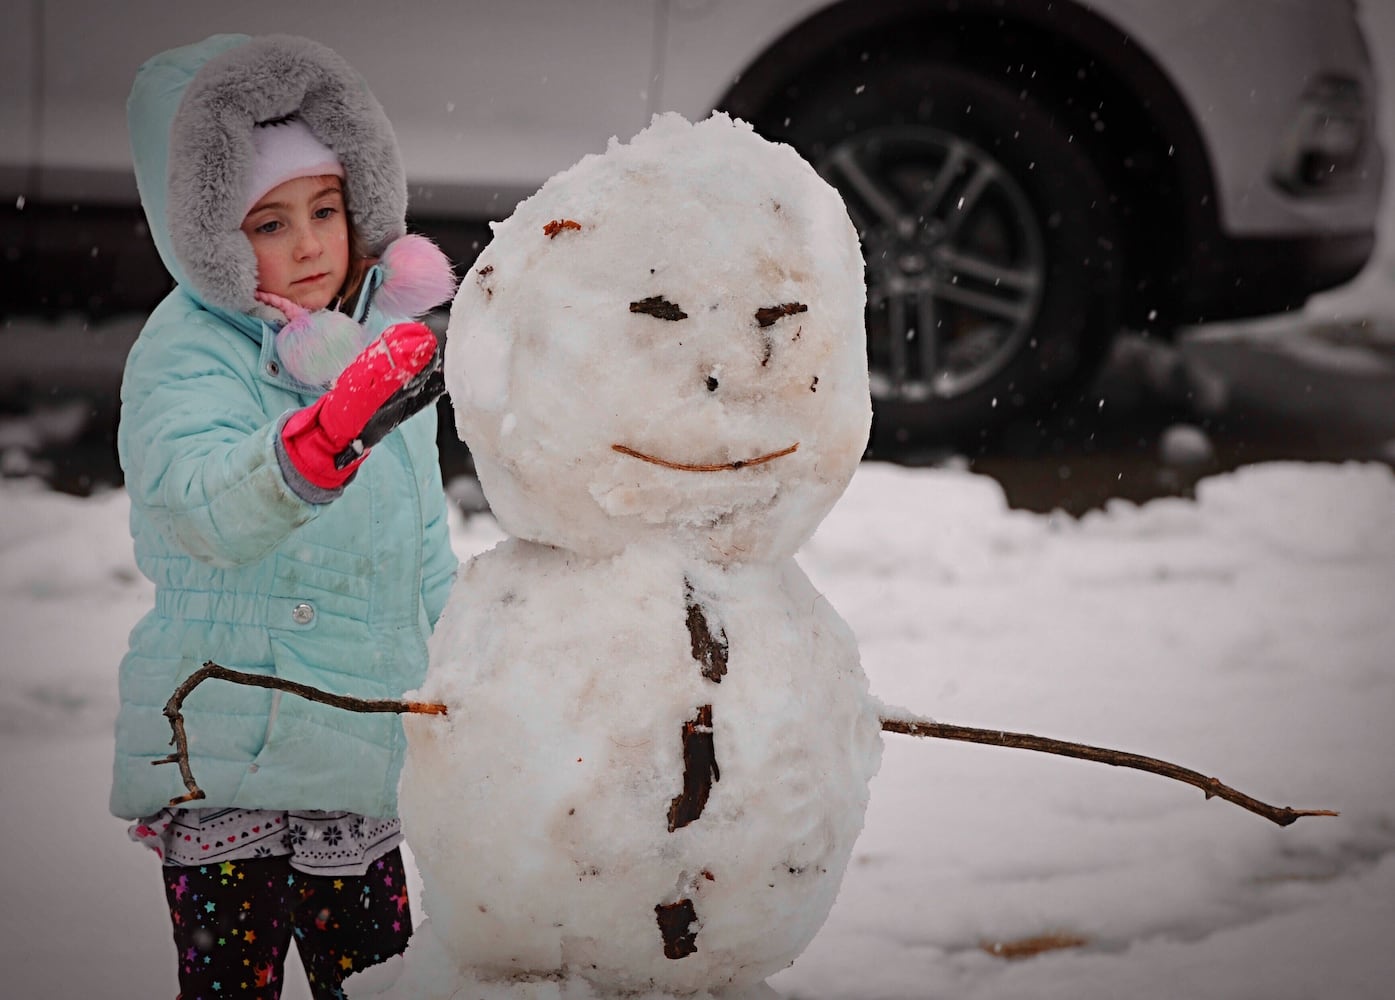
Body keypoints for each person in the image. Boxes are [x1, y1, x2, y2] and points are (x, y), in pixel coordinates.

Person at [112, 33, 460, 998]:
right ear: (209, 234)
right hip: (230, 753)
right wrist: (309, 450)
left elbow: (423, 549)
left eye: (324, 209)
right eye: (268, 223)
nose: (308, 244)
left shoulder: (383, 347)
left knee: (379, 985)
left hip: (357, 758)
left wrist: (470, 665)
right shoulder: (187, 352)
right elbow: (197, 505)